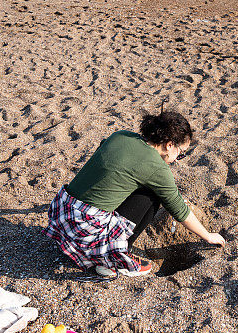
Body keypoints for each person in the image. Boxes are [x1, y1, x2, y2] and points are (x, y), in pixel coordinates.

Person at [43, 107, 226, 278]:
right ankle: (113, 260)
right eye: (181, 153)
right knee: (152, 195)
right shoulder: (156, 167)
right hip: (84, 230)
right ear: (170, 145)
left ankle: (100, 247)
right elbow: (178, 207)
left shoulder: (121, 135)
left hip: (61, 214)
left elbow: (104, 154)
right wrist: (208, 236)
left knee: (134, 183)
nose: (179, 160)